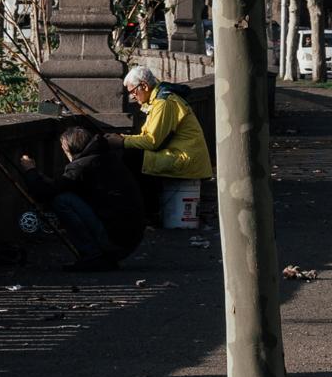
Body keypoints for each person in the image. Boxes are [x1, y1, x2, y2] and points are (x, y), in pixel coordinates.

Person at [36, 119, 150, 269]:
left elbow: (45, 193)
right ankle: (100, 255)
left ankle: (93, 255)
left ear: (68, 148)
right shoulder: (106, 157)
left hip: (116, 241)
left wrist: (30, 171)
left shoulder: (81, 166)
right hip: (129, 239)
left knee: (62, 200)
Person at [123, 60, 212, 184]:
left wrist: (122, 141)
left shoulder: (164, 103)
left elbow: (151, 142)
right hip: (180, 154)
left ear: (144, 86)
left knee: (130, 158)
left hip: (184, 158)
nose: (132, 96)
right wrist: (124, 138)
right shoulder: (156, 100)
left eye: (133, 92)